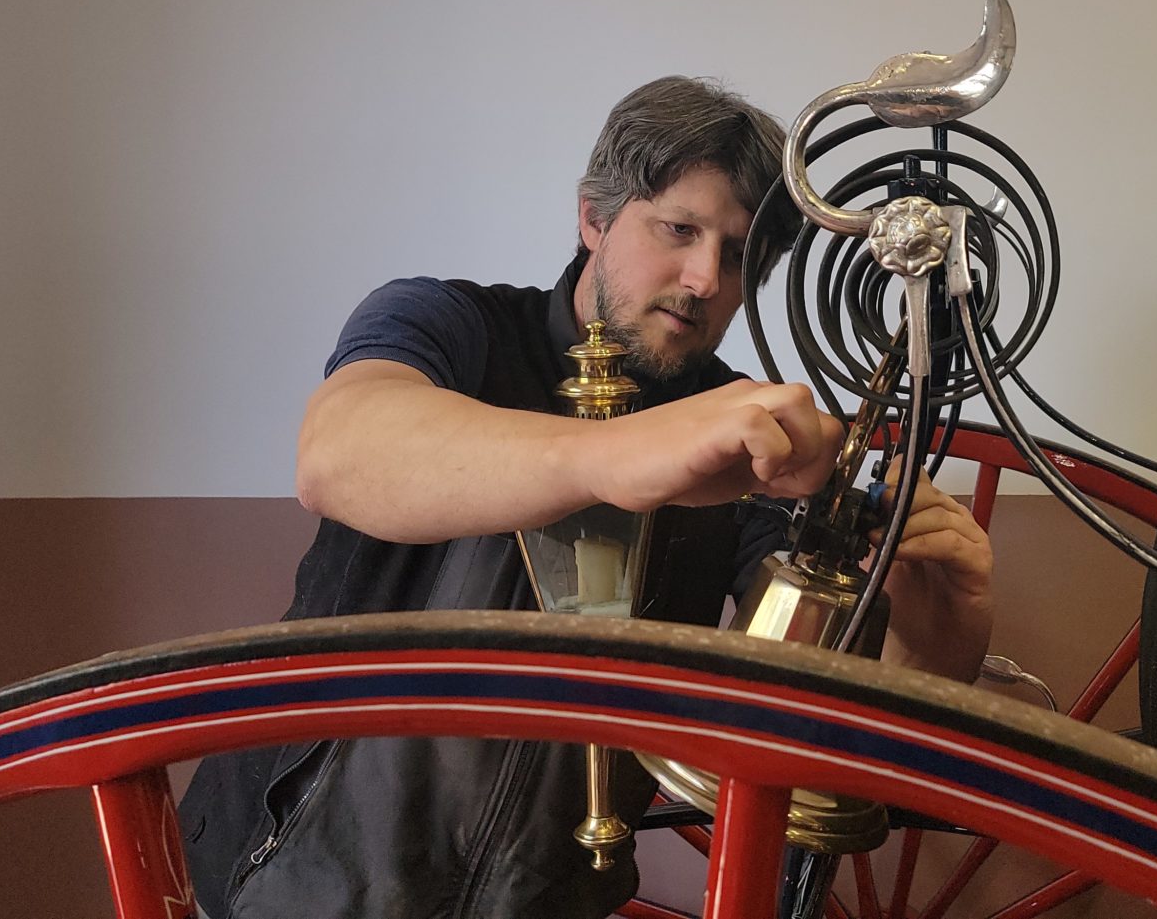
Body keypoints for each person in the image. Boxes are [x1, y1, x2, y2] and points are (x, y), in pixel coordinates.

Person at [179, 76, 995, 919]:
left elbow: (815, 696)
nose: (705, 277)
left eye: (740, 252)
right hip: (284, 878)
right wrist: (618, 457)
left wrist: (941, 630)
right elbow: (337, 454)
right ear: (594, 219)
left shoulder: (741, 436)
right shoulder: (454, 325)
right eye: (678, 228)